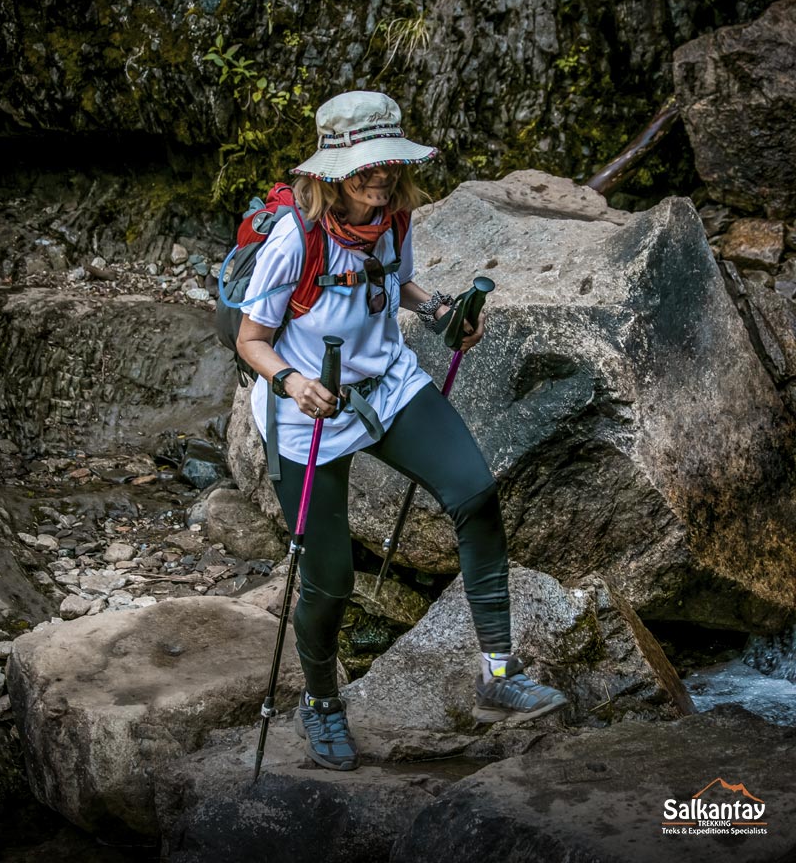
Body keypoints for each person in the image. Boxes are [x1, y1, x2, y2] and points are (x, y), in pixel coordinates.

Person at [237, 91, 567, 771]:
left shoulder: (394, 219)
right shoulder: (292, 240)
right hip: (310, 413)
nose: (380, 176)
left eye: (387, 161)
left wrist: (445, 309)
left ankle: (499, 675)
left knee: (474, 492)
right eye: (365, 167)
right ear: (330, 172)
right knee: (329, 580)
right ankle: (323, 701)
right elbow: (251, 337)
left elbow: (405, 286)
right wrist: (292, 383)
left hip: (388, 385)